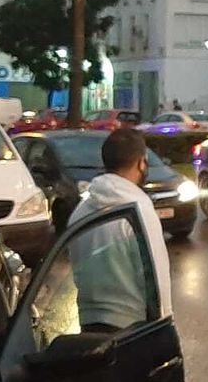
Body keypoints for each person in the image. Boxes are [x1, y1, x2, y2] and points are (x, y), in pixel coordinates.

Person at [66, 129, 173, 332]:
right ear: (141, 163)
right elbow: (155, 276)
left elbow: (76, 266)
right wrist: (165, 327)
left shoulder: (82, 211)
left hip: (89, 326)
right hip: (132, 329)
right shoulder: (138, 211)